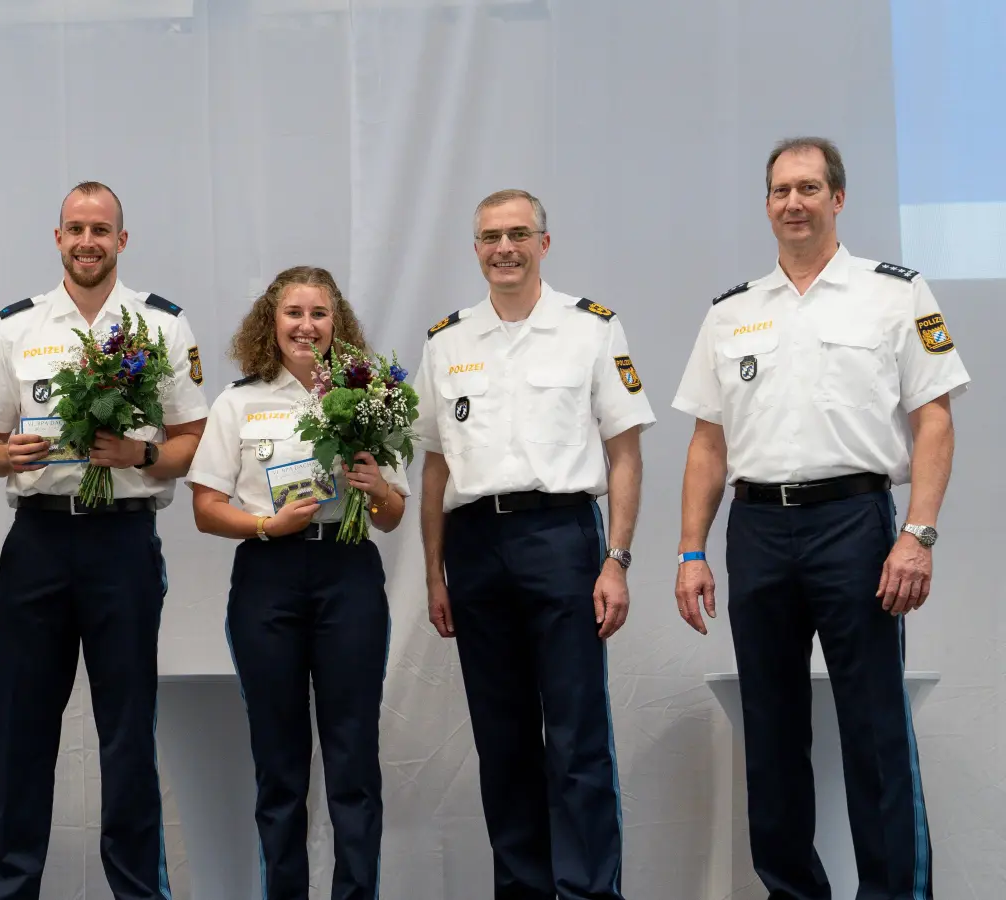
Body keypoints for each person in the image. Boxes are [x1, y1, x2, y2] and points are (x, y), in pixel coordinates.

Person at [672, 137, 966, 900]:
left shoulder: (894, 293)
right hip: (759, 529)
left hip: (856, 526)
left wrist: (919, 532)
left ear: (839, 198)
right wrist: (690, 551)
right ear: (766, 204)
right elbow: (708, 442)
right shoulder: (731, 312)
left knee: (875, 731)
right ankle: (793, 893)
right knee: (770, 735)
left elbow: (934, 420)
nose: (793, 203)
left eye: (808, 188)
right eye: (779, 191)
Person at [0, 181, 208, 900]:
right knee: (22, 733)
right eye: (76, 228)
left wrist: (142, 458)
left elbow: (193, 434)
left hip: (123, 544)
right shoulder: (18, 327)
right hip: (38, 542)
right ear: (58, 238)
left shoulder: (159, 325)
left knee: (127, 735)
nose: (88, 241)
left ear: (122, 241)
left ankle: (137, 890)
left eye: (102, 229)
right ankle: (6, 891)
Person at [414, 189, 653, 900]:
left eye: (519, 234)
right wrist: (432, 573)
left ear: (544, 243)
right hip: (475, 545)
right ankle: (521, 888)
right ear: (476, 248)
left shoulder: (592, 330)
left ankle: (587, 891)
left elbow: (626, 454)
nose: (504, 248)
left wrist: (618, 559)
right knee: (503, 740)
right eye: (490, 237)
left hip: (561, 538)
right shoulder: (446, 341)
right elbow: (433, 466)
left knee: (577, 738)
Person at [185, 266, 408, 900]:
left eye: (319, 314)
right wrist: (265, 525)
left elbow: (392, 517)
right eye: (293, 313)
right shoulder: (239, 401)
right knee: (279, 764)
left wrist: (378, 487)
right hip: (268, 577)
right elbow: (205, 509)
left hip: (348, 572)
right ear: (270, 321)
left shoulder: (370, 399)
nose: (306, 325)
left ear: (339, 324)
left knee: (352, 759)